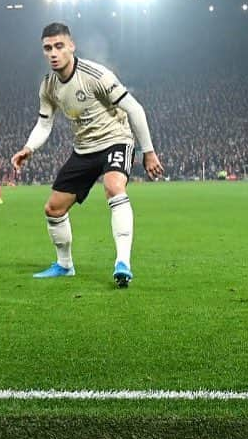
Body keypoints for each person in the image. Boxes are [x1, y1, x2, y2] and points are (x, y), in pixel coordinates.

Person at [11, 22, 164, 288]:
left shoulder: (96, 75)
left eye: (59, 46)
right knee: (53, 209)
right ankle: (64, 265)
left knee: (114, 186)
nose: (53, 53)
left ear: (71, 46)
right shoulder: (48, 86)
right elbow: (44, 123)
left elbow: (135, 109)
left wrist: (148, 152)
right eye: (48, 48)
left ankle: (123, 262)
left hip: (116, 140)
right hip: (83, 150)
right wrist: (29, 147)